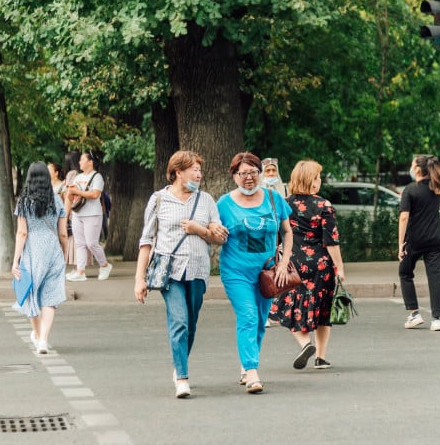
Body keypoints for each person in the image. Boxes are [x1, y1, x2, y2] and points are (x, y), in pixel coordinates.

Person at [134, 150, 227, 399]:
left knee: (192, 324)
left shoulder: (206, 200)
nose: (198, 174)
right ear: (177, 172)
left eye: (199, 170)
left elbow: (219, 238)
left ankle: (179, 364)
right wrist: (139, 279)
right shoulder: (159, 200)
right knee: (179, 321)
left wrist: (202, 230)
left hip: (197, 270)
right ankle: (183, 378)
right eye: (193, 170)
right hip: (170, 271)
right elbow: (146, 240)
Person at [217, 152, 293, 394]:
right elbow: (213, 232)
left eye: (253, 172)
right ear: (234, 176)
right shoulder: (224, 204)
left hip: (267, 272)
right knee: (248, 316)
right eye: (243, 173)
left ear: (260, 173)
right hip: (236, 271)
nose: (248, 178)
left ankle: (245, 364)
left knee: (260, 321)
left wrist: (284, 263)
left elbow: (287, 232)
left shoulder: (274, 199)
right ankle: (251, 371)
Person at [270, 160, 345, 370]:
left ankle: (305, 344)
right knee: (323, 310)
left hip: (292, 265)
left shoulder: (283, 204)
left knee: (288, 306)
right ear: (311, 182)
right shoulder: (324, 206)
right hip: (321, 266)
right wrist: (340, 268)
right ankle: (320, 358)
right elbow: (332, 241)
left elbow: (277, 234)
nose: (319, 181)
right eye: (317, 177)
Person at [11, 162, 68, 354]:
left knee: (31, 294)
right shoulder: (57, 201)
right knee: (50, 298)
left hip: (33, 251)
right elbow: (63, 234)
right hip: (53, 250)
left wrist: (15, 261)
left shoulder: (24, 202)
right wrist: (64, 254)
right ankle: (43, 339)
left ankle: (36, 334)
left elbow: (22, 233)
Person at [398, 155, 440, 331]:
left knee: (405, 273)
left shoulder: (410, 190)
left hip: (414, 240)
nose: (410, 167)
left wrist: (400, 244)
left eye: (412, 165)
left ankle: (414, 314)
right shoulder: (437, 188)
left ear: (418, 169)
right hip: (435, 239)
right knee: (435, 278)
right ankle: (436, 319)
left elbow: (404, 217)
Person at [66, 150, 112, 282]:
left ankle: (105, 265)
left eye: (82, 159)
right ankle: (80, 272)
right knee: (80, 243)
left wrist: (78, 191)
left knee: (91, 243)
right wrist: (71, 194)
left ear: (90, 162)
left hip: (92, 214)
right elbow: (71, 195)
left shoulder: (97, 177)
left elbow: (95, 194)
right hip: (77, 213)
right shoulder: (77, 177)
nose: (79, 162)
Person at [261, 157, 287, 328]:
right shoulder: (258, 190)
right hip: (263, 238)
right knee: (265, 275)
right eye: (268, 171)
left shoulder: (284, 188)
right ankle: (264, 314)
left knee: (281, 275)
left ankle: (279, 311)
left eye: (273, 170)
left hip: (281, 238)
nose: (271, 174)